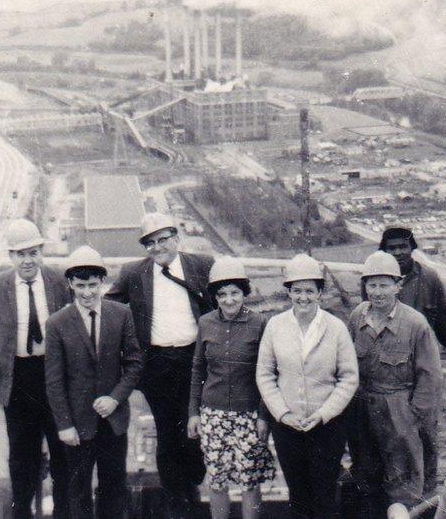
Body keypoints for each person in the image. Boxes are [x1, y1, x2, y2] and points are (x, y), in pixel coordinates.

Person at [105, 212, 214, 518]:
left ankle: (192, 483)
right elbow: (109, 307)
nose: (158, 247)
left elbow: (224, 301)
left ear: (176, 238)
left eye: (163, 239)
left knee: (192, 428)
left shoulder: (201, 266)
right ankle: (178, 501)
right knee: (168, 432)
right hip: (157, 365)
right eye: (150, 243)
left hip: (195, 361)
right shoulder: (133, 273)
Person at [0, 218, 73, 518]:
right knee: (21, 455)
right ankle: (22, 512)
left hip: (55, 376)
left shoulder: (58, 280)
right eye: (20, 254)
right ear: (10, 256)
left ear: (42, 251)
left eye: (33, 252)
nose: (28, 260)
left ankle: (63, 512)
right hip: (17, 379)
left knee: (63, 450)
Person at [45, 246, 145, 519]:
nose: (87, 293)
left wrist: (115, 398)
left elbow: (134, 363)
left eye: (92, 285)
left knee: (114, 487)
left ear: (103, 282)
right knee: (77, 489)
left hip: (113, 421)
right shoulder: (57, 323)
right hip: (77, 425)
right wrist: (64, 424)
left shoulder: (121, 314)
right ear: (70, 284)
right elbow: (54, 380)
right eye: (80, 286)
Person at [256, 253, 358, 519]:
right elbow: (265, 375)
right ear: (289, 292)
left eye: (310, 291)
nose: (303, 297)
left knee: (324, 495)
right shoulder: (275, 326)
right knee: (298, 495)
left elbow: (349, 377)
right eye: (297, 291)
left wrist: (324, 414)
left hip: (327, 426)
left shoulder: (336, 328)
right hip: (287, 427)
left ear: (320, 293)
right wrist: (283, 414)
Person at [376, 224, 446, 494]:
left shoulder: (429, 278)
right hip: (389, 373)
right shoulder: (377, 280)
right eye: (391, 248)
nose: (397, 252)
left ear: (412, 248)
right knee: (392, 438)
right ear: (383, 251)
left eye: (402, 247)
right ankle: (397, 498)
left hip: (423, 369)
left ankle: (427, 495)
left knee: (426, 435)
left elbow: (445, 320)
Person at [347, 252, 442, 516]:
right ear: (365, 286)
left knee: (403, 485)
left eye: (384, 285)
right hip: (363, 410)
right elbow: (346, 361)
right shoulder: (357, 317)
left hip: (400, 411)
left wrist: (412, 419)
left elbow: (430, 378)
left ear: (398, 286)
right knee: (367, 476)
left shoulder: (415, 324)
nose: (377, 292)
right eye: (372, 285)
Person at [187, 257, 276, 519]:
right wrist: (194, 413)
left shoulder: (260, 323)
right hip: (212, 415)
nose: (228, 300)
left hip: (248, 415)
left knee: (249, 481)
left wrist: (263, 416)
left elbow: (267, 373)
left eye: (234, 293)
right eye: (222, 294)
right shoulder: (205, 323)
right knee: (216, 480)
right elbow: (198, 369)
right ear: (214, 296)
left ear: (244, 293)